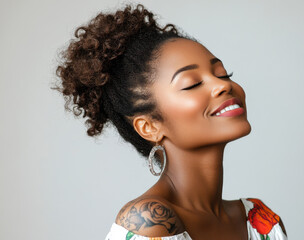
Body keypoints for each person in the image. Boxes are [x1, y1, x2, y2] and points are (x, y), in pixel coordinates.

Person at [54, 3, 288, 240]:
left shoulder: (260, 220)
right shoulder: (146, 222)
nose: (223, 85)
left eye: (223, 74)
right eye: (192, 84)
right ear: (150, 127)